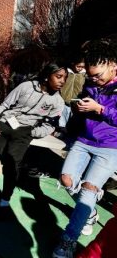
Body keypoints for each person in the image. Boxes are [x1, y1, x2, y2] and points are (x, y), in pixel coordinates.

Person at [53, 39, 117, 258]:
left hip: (111, 146)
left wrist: (100, 108)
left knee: (89, 190)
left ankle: (68, 240)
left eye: (98, 75)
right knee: (66, 180)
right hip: (84, 140)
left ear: (112, 65)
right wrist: (80, 106)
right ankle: (89, 214)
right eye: (91, 76)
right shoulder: (91, 83)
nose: (94, 80)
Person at [0, 62, 66, 209]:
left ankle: (5, 200)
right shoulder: (26, 86)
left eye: (64, 78)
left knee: (11, 166)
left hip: (24, 132)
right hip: (3, 124)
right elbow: (5, 105)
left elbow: (50, 125)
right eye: (59, 77)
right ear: (47, 77)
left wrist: (33, 132)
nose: (62, 81)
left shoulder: (58, 102)